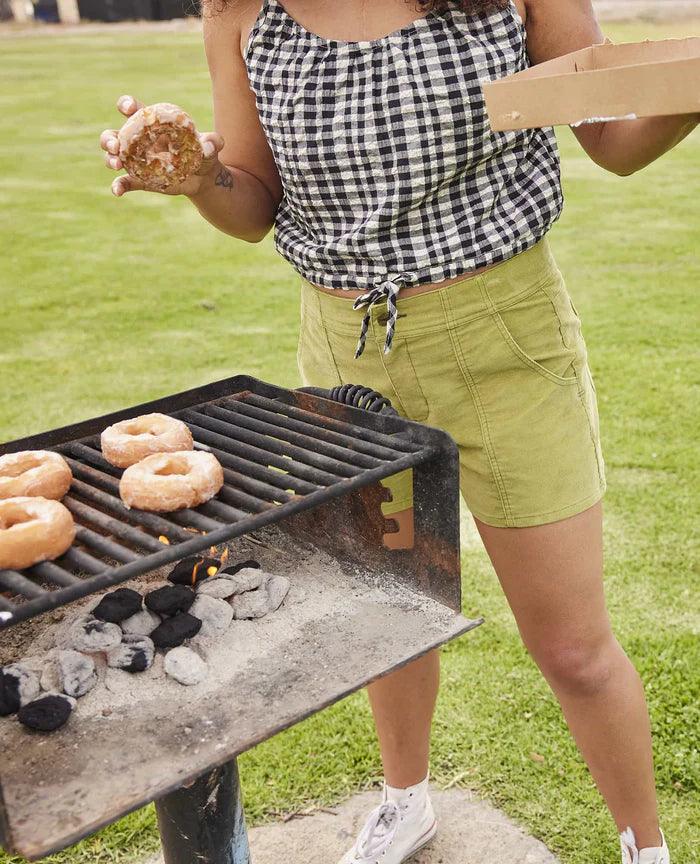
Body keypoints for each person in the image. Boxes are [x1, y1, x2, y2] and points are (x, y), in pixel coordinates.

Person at [99, 1, 698, 861]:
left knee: (571, 645)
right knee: (386, 611)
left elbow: (615, 136)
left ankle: (649, 850)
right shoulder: (240, 12)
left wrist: (690, 86)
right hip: (345, 353)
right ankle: (405, 801)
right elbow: (254, 200)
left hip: (507, 339)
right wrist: (201, 178)